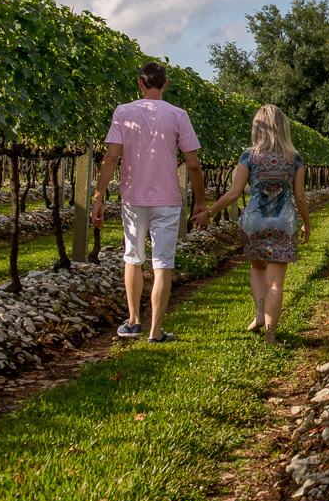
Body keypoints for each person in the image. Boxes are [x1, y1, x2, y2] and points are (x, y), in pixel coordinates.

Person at [92, 61, 206, 344]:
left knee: (132, 258)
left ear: (140, 84)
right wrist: (200, 202)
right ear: (165, 84)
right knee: (162, 264)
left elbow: (112, 157)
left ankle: (133, 322)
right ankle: (156, 332)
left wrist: (98, 195)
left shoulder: (123, 112)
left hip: (133, 198)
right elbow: (193, 164)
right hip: (168, 200)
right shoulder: (179, 115)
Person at [194, 104, 310, 345]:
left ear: (257, 127)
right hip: (284, 222)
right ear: (283, 127)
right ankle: (270, 335)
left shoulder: (249, 156)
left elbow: (235, 193)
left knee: (257, 268)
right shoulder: (294, 158)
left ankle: (259, 314)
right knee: (276, 283)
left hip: (254, 222)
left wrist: (211, 211)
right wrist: (307, 223)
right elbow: (299, 197)